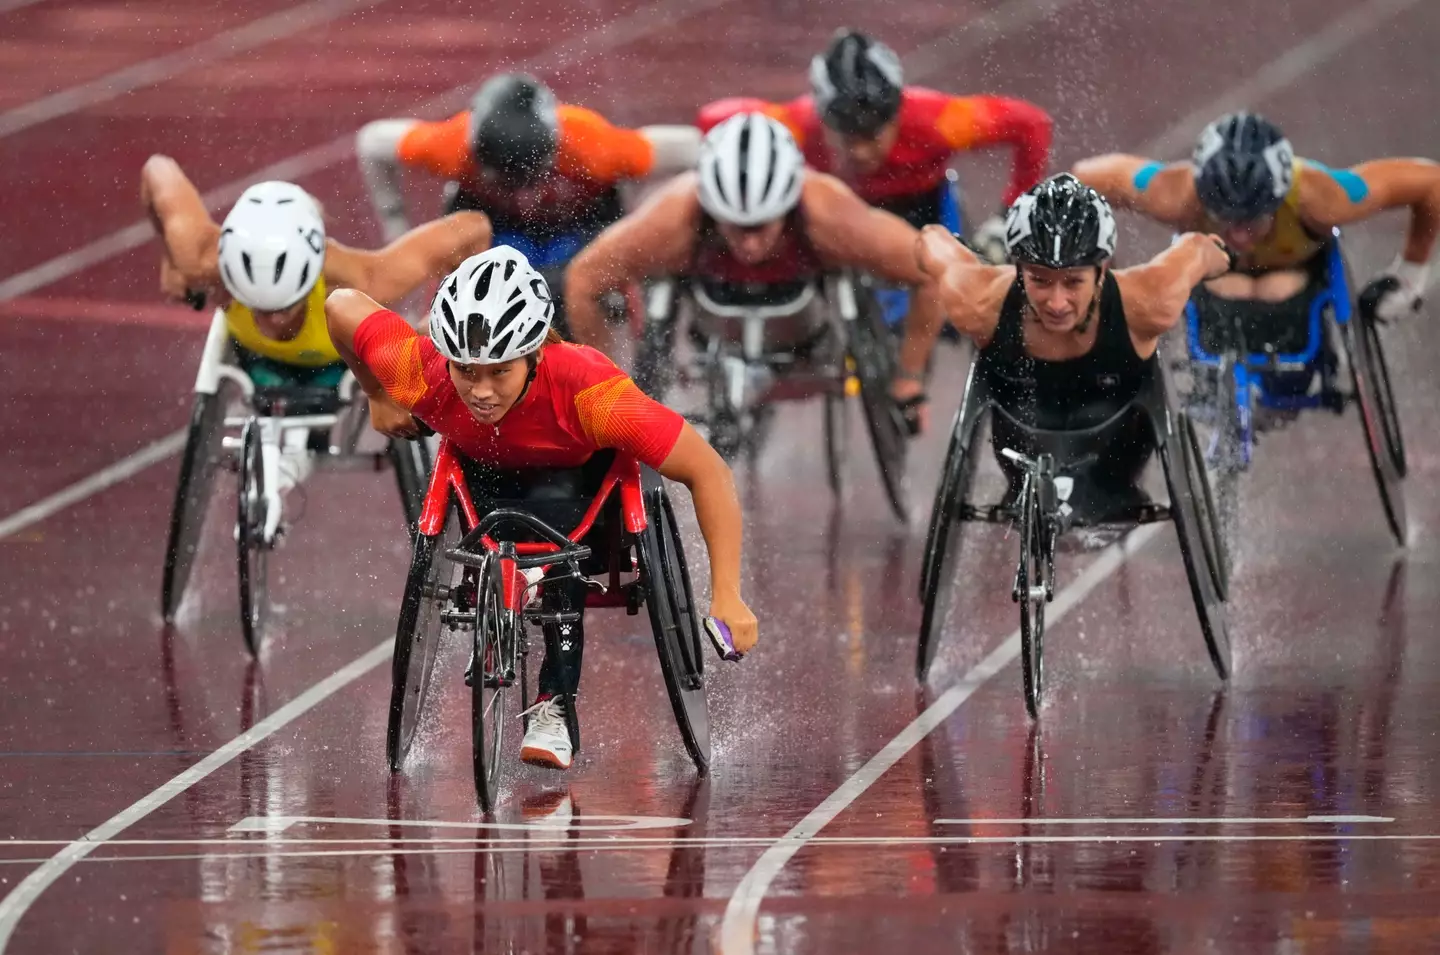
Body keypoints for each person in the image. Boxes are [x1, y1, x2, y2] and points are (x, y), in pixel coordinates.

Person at [325, 247, 757, 770]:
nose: (480, 391)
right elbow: (342, 305)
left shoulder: (591, 393)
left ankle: (555, 703)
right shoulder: (423, 374)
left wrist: (728, 594)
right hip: (486, 481)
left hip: (579, 493)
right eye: (466, 369)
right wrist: (378, 394)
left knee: (562, 561)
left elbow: (707, 470)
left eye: (500, 372)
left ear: (532, 355)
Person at [564, 111, 946, 432]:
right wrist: (608, 393)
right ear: (712, 210)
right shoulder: (672, 222)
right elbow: (583, 279)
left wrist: (909, 379)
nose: (748, 245)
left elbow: (929, 271)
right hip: (710, 300)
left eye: (762, 226)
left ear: (787, 208)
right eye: (734, 226)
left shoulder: (830, 217)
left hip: (804, 313)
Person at [142, 155, 492, 482]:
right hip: (254, 362)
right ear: (230, 279)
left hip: (337, 366)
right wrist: (171, 262)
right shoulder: (201, 261)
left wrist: (445, 318)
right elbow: (157, 170)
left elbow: (474, 228)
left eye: (285, 309)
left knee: (422, 348)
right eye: (259, 310)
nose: (274, 322)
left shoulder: (357, 277)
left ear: (312, 281)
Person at [917, 173, 1233, 517]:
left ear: (1102, 270)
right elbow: (936, 246)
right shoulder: (980, 302)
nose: (1056, 302)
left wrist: (1227, 257)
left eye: (1073, 282)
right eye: (1039, 280)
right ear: (1018, 269)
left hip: (1117, 453)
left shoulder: (1148, 301)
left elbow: (1197, 251)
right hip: (1022, 443)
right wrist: (928, 242)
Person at [1073, 111, 1439, 395]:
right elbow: (1086, 180)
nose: (1238, 234)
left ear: (1278, 202)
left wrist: (1410, 274)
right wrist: (1105, 278)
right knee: (1221, 290)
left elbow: (1429, 182)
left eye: (1251, 221)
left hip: (1296, 276)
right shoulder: (1176, 193)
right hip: (1215, 277)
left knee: (1274, 288)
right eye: (1224, 217)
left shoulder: (1324, 197)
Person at [356, 73, 701, 327]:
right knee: (448, 301)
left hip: (580, 229)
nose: (524, 196)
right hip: (493, 228)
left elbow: (696, 148)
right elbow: (372, 142)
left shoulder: (590, 144)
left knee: (598, 287)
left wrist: (653, 221)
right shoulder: (453, 144)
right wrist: (396, 228)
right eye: (506, 180)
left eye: (530, 177)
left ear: (553, 153)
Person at [698, 29, 1053, 254]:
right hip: (838, 211)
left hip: (925, 208)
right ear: (823, 121)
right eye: (848, 138)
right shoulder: (796, 124)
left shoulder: (940, 120)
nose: (862, 152)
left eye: (873, 135)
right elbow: (711, 119)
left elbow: (1032, 124)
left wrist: (1010, 212)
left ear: (898, 113)